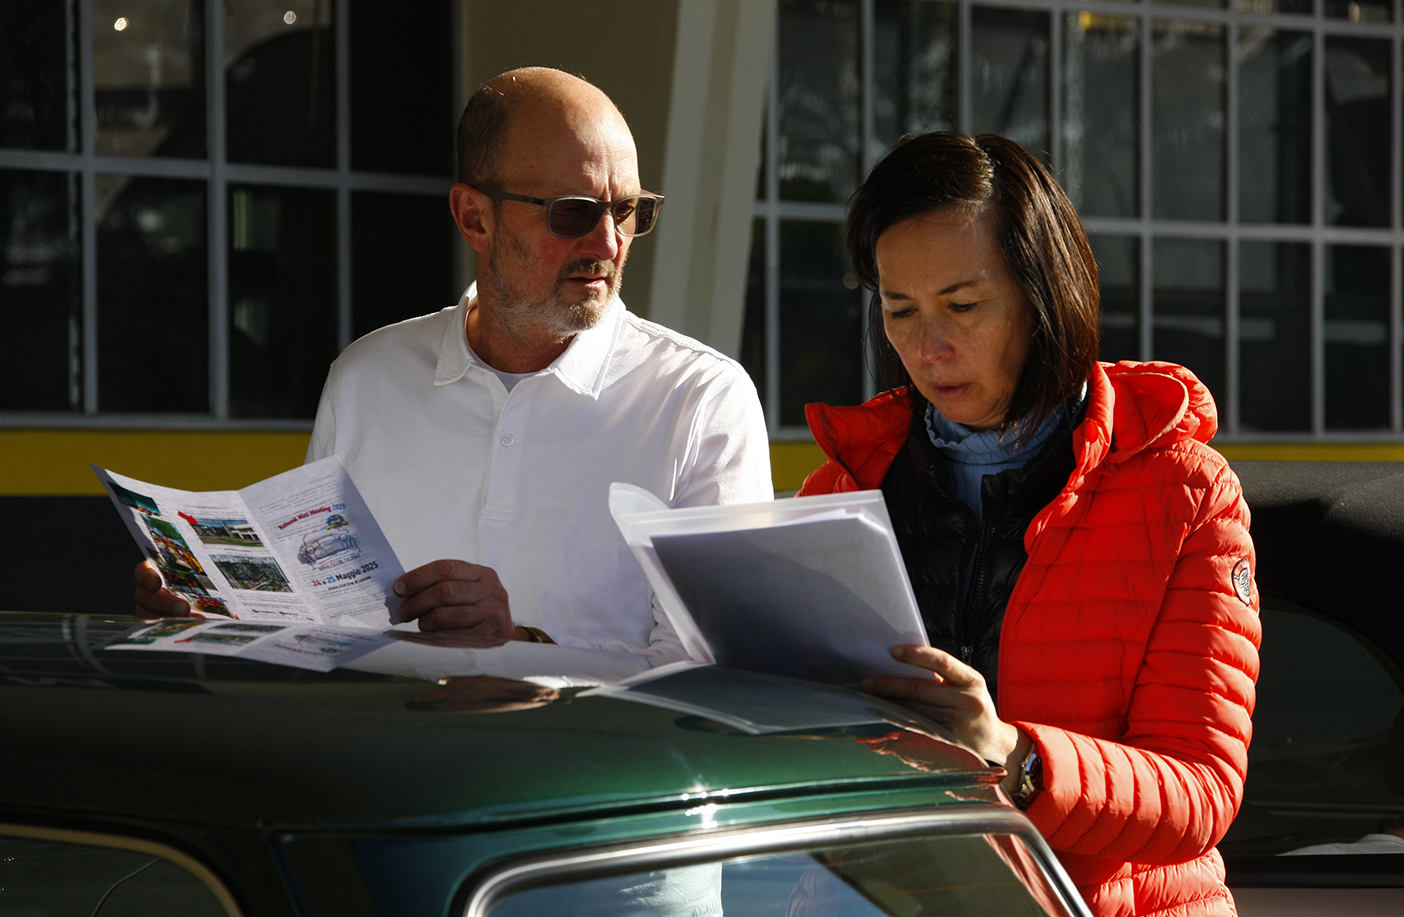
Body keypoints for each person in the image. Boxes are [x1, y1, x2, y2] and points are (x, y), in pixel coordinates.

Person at [135, 67, 773, 656]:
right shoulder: (366, 379)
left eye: (628, 210)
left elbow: (721, 676)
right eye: (572, 213)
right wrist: (214, 620)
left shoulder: (701, 399)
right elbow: (318, 634)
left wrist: (519, 647)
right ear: (474, 218)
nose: (608, 243)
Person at [797, 132, 1261, 917]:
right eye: (900, 310)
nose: (928, 347)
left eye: (963, 306)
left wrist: (1013, 757)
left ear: (1046, 296)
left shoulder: (1183, 494)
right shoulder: (840, 490)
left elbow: (1201, 794)